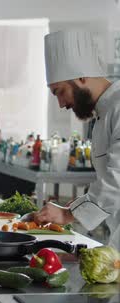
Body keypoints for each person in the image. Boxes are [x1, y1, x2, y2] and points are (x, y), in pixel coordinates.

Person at [35, 30, 119, 248]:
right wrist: (73, 207)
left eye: (60, 92)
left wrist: (68, 215)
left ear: (81, 78)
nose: (61, 104)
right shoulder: (104, 112)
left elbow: (117, 179)